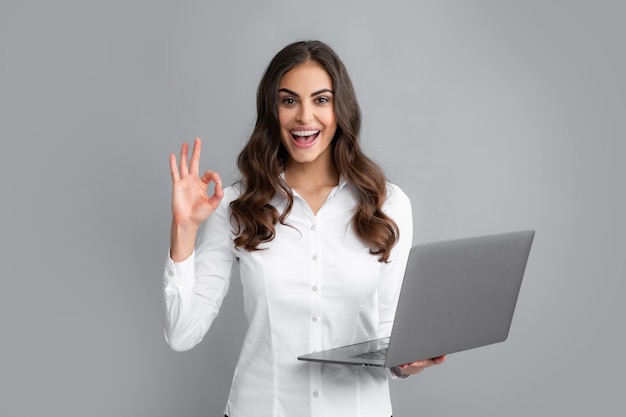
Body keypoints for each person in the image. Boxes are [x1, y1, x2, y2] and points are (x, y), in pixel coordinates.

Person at [163, 40, 445, 417]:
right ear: (273, 110)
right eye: (289, 100)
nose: (304, 117)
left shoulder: (388, 205)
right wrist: (184, 228)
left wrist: (407, 360)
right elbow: (182, 333)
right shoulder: (235, 206)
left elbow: (386, 331)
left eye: (321, 100)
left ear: (340, 108)